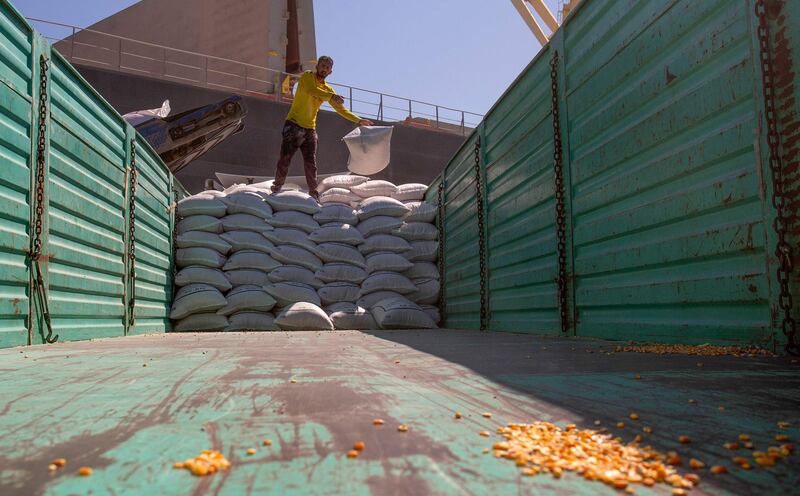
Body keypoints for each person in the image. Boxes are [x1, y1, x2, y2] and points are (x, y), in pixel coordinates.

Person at [270, 55, 373, 200]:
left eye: (327, 67)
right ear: (317, 66)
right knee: (285, 159)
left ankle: (313, 193)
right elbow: (313, 90)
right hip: (293, 125)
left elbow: (341, 109)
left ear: (330, 72)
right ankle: (277, 187)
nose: (324, 69)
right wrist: (331, 97)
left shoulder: (328, 90)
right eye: (322, 66)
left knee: (311, 163)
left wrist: (359, 120)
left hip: (309, 130)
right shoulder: (307, 77)